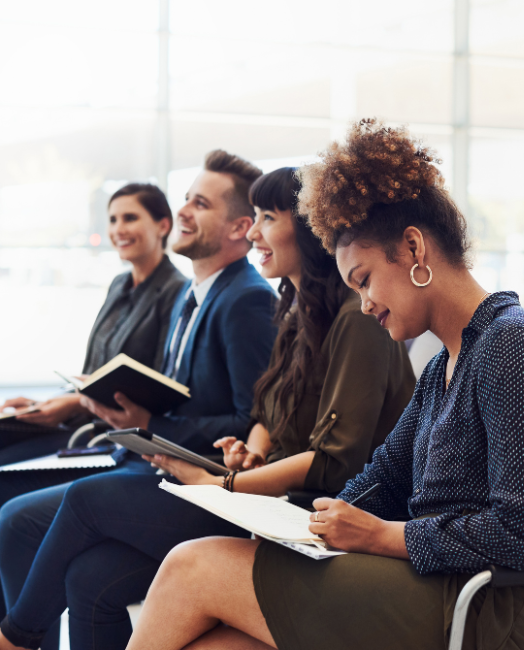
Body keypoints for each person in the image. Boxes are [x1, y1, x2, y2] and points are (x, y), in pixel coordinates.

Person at [126, 118, 524, 650]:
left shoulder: (514, 344)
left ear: (414, 249)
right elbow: (383, 478)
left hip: (490, 605)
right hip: (442, 583)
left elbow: (523, 532)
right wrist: (308, 526)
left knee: (193, 566)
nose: (366, 303)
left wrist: (382, 535)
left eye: (365, 279)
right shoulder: (450, 361)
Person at [0, 167, 416, 650]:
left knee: (85, 500)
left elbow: (335, 461)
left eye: (265, 218)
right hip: (262, 496)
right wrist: (251, 452)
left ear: (307, 228)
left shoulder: (356, 319)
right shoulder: (294, 310)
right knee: (92, 578)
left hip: (305, 514)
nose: (254, 231)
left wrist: (225, 481)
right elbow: (264, 413)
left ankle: (16, 638)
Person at [0, 150, 278, 643]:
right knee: (58, 553)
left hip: (199, 483)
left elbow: (251, 419)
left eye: (200, 204)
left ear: (240, 228)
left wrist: (151, 422)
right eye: (186, 198)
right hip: (148, 459)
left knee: (40, 515)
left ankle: (17, 637)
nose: (185, 211)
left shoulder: (246, 300)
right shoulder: (195, 296)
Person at [0, 184, 186, 461]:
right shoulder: (119, 284)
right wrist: (43, 404)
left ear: (163, 226)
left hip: (106, 433)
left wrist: (74, 404)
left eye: (130, 218)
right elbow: (94, 372)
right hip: (79, 418)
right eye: (113, 219)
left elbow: (158, 388)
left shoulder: (177, 291)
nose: (118, 229)